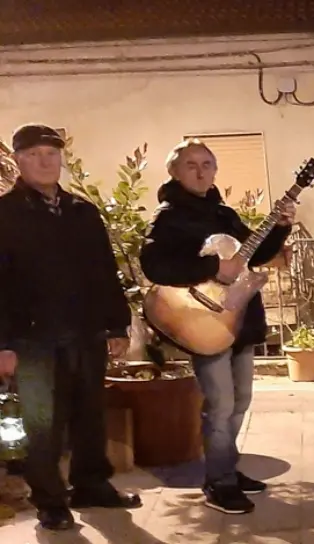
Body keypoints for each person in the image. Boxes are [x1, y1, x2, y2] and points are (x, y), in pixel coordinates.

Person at [139, 138, 294, 515]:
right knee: (221, 403)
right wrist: (211, 269)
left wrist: (281, 227)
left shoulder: (223, 214)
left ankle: (226, 466)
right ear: (174, 171)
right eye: (191, 164)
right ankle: (219, 482)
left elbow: (252, 253)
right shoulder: (169, 217)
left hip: (238, 317)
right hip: (202, 321)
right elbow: (155, 266)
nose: (201, 170)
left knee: (240, 400)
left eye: (207, 164)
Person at [0, 124, 141, 531]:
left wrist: (116, 324)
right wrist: (4, 342)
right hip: (32, 340)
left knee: (89, 416)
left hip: (85, 334)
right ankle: (50, 500)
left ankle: (92, 485)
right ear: (18, 161)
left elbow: (104, 272)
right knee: (43, 424)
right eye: (35, 154)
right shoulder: (5, 215)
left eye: (51, 153)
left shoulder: (83, 211)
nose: (46, 161)